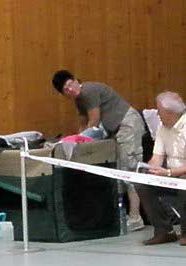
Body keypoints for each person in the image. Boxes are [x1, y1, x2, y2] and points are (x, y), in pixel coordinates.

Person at [52, 70, 145, 232]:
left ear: (75, 80)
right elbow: (83, 125)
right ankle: (129, 216)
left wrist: (82, 140)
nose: (70, 90)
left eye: (69, 85)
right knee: (121, 172)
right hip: (116, 131)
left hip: (127, 125)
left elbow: (93, 121)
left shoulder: (89, 91)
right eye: (65, 90)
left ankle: (136, 218)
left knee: (129, 169)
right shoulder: (79, 100)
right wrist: (78, 141)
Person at [136, 92, 186, 245]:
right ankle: (164, 231)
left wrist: (169, 172)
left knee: (184, 184)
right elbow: (157, 157)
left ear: (170, 113)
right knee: (142, 184)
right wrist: (150, 169)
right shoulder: (162, 129)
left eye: (159, 111)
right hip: (171, 174)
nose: (157, 114)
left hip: (181, 175)